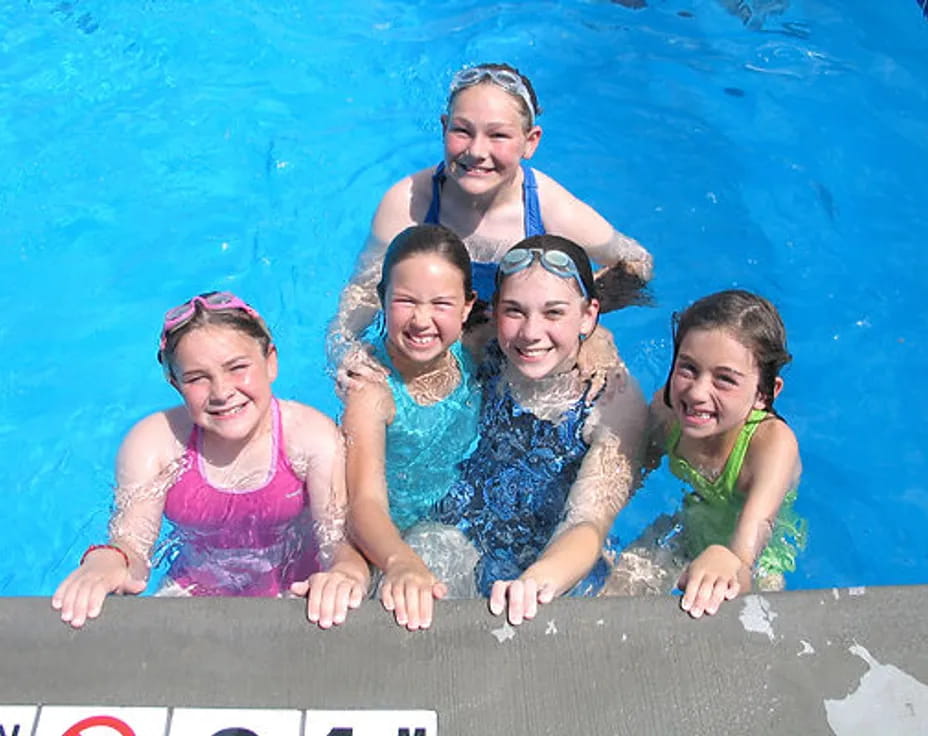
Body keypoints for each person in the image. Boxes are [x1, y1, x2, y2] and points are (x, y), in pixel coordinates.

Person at [52, 292, 369, 629]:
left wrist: (346, 574)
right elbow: (133, 547)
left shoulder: (310, 438)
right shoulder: (154, 444)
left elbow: (337, 542)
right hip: (193, 593)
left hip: (296, 595)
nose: (221, 392)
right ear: (175, 383)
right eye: (197, 378)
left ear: (271, 361)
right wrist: (106, 562)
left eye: (237, 368)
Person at [328, 62, 652, 379]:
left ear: (531, 141)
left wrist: (575, 317)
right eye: (462, 131)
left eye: (498, 135)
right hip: (438, 335)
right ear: (444, 128)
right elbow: (365, 289)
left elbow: (637, 263)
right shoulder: (407, 204)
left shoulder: (551, 209)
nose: (477, 151)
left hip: (517, 339)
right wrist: (344, 348)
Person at [432, 235, 647, 626]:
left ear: (588, 315)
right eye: (515, 311)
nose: (530, 333)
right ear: (495, 311)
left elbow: (588, 522)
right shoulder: (483, 348)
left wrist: (536, 581)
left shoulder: (611, 401)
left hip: (555, 571)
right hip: (459, 540)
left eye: (553, 313)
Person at [602, 290, 806, 618]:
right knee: (610, 601)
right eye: (688, 369)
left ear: (765, 393)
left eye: (724, 379)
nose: (697, 393)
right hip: (689, 524)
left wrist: (734, 560)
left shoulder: (772, 446)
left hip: (759, 559)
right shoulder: (668, 412)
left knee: (744, 616)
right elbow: (629, 473)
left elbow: (752, 541)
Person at [342, 225, 482, 632]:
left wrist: (596, 348)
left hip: (458, 512)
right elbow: (364, 503)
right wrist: (401, 560)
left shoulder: (475, 347)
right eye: (405, 301)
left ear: (467, 307)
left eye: (441, 303)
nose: (422, 320)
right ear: (382, 300)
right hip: (390, 537)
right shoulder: (371, 391)